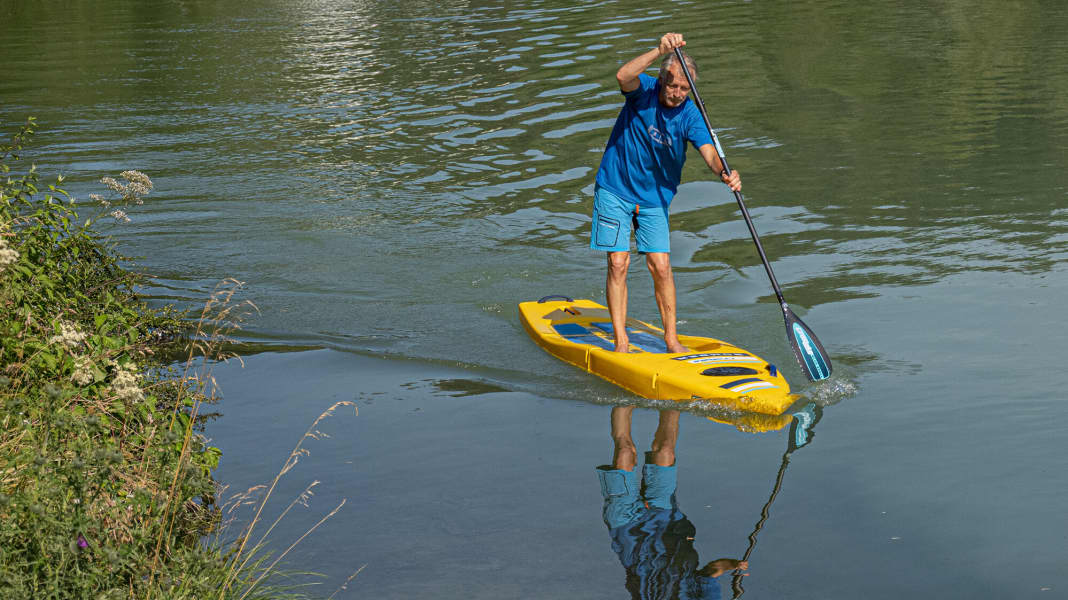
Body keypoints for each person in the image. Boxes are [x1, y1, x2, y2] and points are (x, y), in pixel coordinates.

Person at [592, 32, 742, 353]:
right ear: (661, 79)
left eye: (684, 89)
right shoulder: (644, 90)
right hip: (615, 187)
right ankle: (621, 342)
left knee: (660, 265)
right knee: (618, 263)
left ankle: (671, 339)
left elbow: (710, 153)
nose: (676, 93)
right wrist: (659, 50)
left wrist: (724, 173)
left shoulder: (690, 114)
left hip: (654, 198)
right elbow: (623, 75)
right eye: (672, 85)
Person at [597, 406, 748, 599]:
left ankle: (622, 395)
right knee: (666, 450)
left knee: (624, 452)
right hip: (666, 521)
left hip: (627, 531)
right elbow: (712, 571)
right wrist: (733, 564)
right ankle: (672, 398)